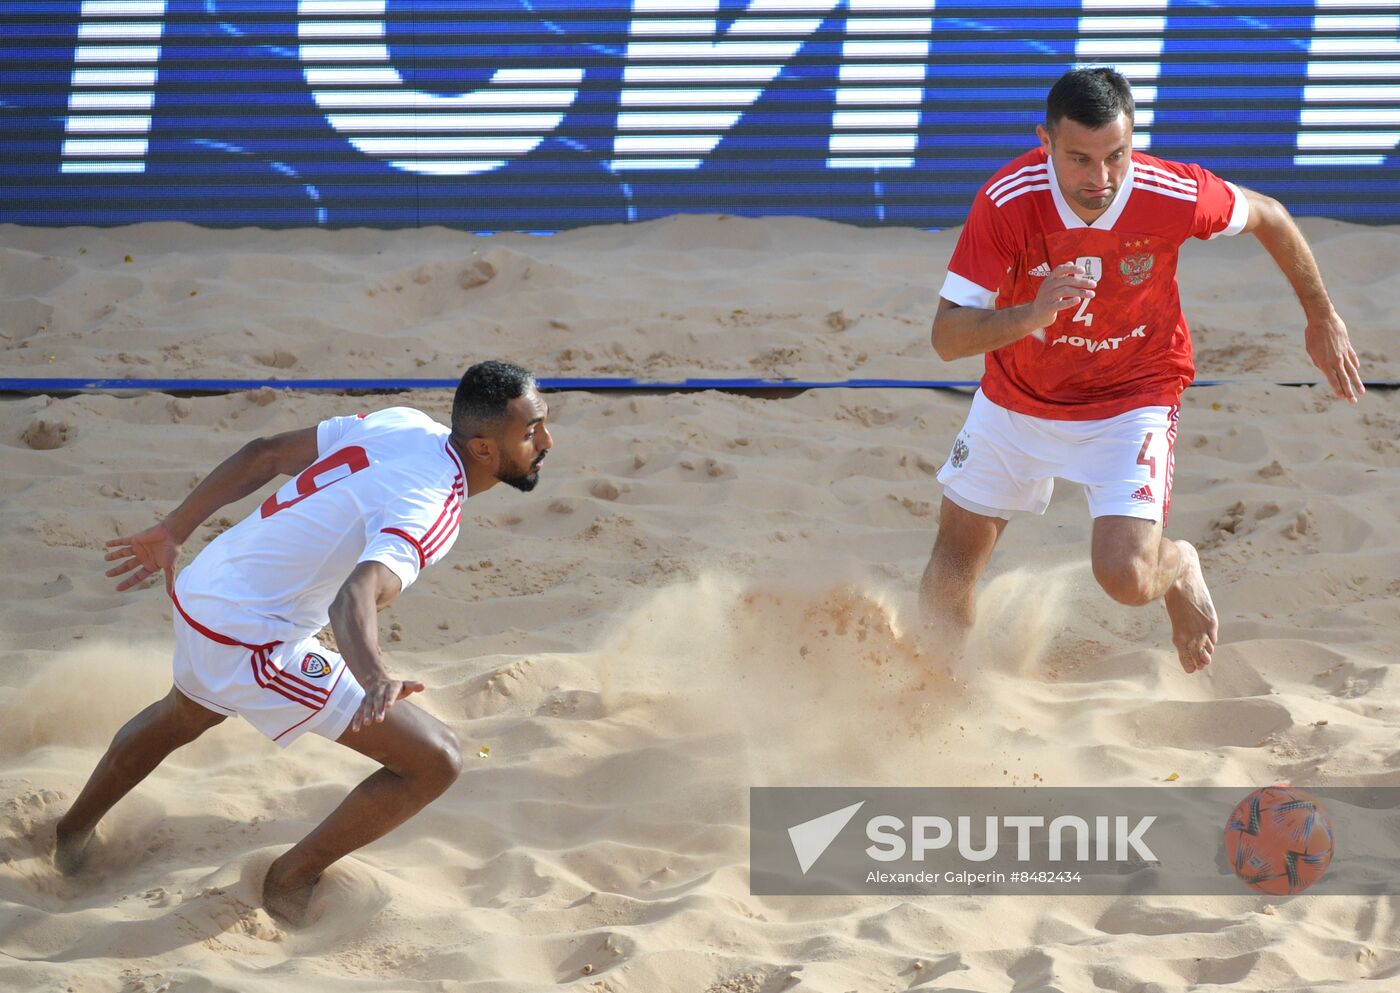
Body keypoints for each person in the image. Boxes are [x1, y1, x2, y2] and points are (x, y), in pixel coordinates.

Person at [53, 360, 552, 925]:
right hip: (249, 636)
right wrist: (374, 679)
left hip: (206, 586)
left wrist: (174, 528)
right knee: (436, 760)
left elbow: (263, 453)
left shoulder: (404, 422)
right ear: (484, 448)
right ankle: (289, 880)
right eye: (532, 431)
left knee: (185, 714)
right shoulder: (433, 504)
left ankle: (70, 835)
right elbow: (353, 597)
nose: (547, 442)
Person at [922, 67, 1364, 675]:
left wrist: (1322, 317)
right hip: (1018, 396)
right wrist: (1031, 314)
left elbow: (1270, 215)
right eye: (1079, 159)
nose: (1100, 179)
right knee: (951, 568)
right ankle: (939, 696)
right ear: (1045, 142)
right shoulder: (1007, 199)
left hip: (1132, 396)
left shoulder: (1169, 191)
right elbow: (946, 338)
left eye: (1116, 156)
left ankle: (1178, 565)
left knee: (1127, 578)